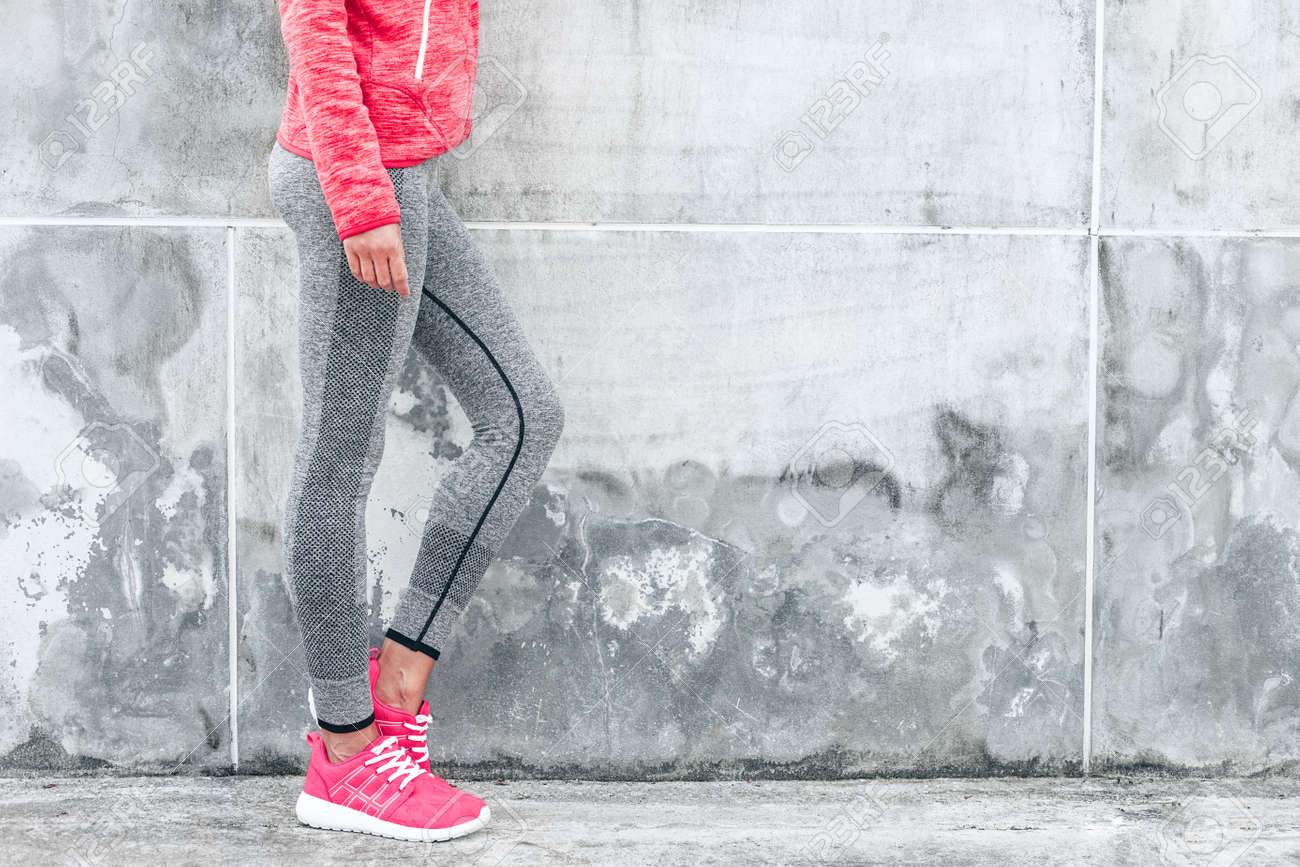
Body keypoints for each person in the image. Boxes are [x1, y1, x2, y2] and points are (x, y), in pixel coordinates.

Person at [266, 0, 564, 842]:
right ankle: (346, 755)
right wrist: (362, 201)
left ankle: (398, 680)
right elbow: (314, 22)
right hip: (354, 175)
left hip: (406, 170)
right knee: (337, 465)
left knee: (522, 416)